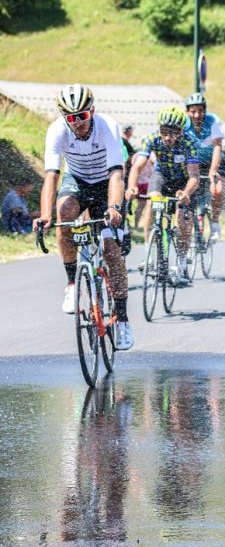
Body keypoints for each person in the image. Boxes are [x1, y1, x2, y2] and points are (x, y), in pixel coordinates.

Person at [36, 83, 133, 350]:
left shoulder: (107, 126)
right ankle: (71, 281)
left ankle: (122, 318)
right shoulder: (56, 132)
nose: (77, 122)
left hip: (106, 182)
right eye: (71, 117)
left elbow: (116, 174)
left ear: (93, 111)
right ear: (63, 117)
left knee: (111, 250)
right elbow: (51, 177)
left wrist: (114, 207)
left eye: (82, 116)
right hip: (77, 179)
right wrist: (45, 215)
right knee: (63, 213)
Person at [126, 106, 199, 285]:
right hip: (162, 177)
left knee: (183, 218)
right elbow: (137, 167)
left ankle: (182, 263)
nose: (168, 137)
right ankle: (149, 254)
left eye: (173, 133)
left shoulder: (188, 142)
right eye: (164, 132)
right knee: (152, 202)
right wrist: (132, 187)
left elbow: (194, 177)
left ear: (181, 131)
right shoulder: (152, 139)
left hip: (183, 181)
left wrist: (186, 193)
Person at [184, 92, 225, 241]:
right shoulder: (183, 124)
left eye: (200, 111)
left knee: (217, 189)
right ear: (187, 112)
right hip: (193, 162)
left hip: (213, 161)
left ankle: (214, 222)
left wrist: (213, 170)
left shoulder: (213, 121)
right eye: (193, 111)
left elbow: (217, 147)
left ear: (205, 111)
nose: (197, 115)